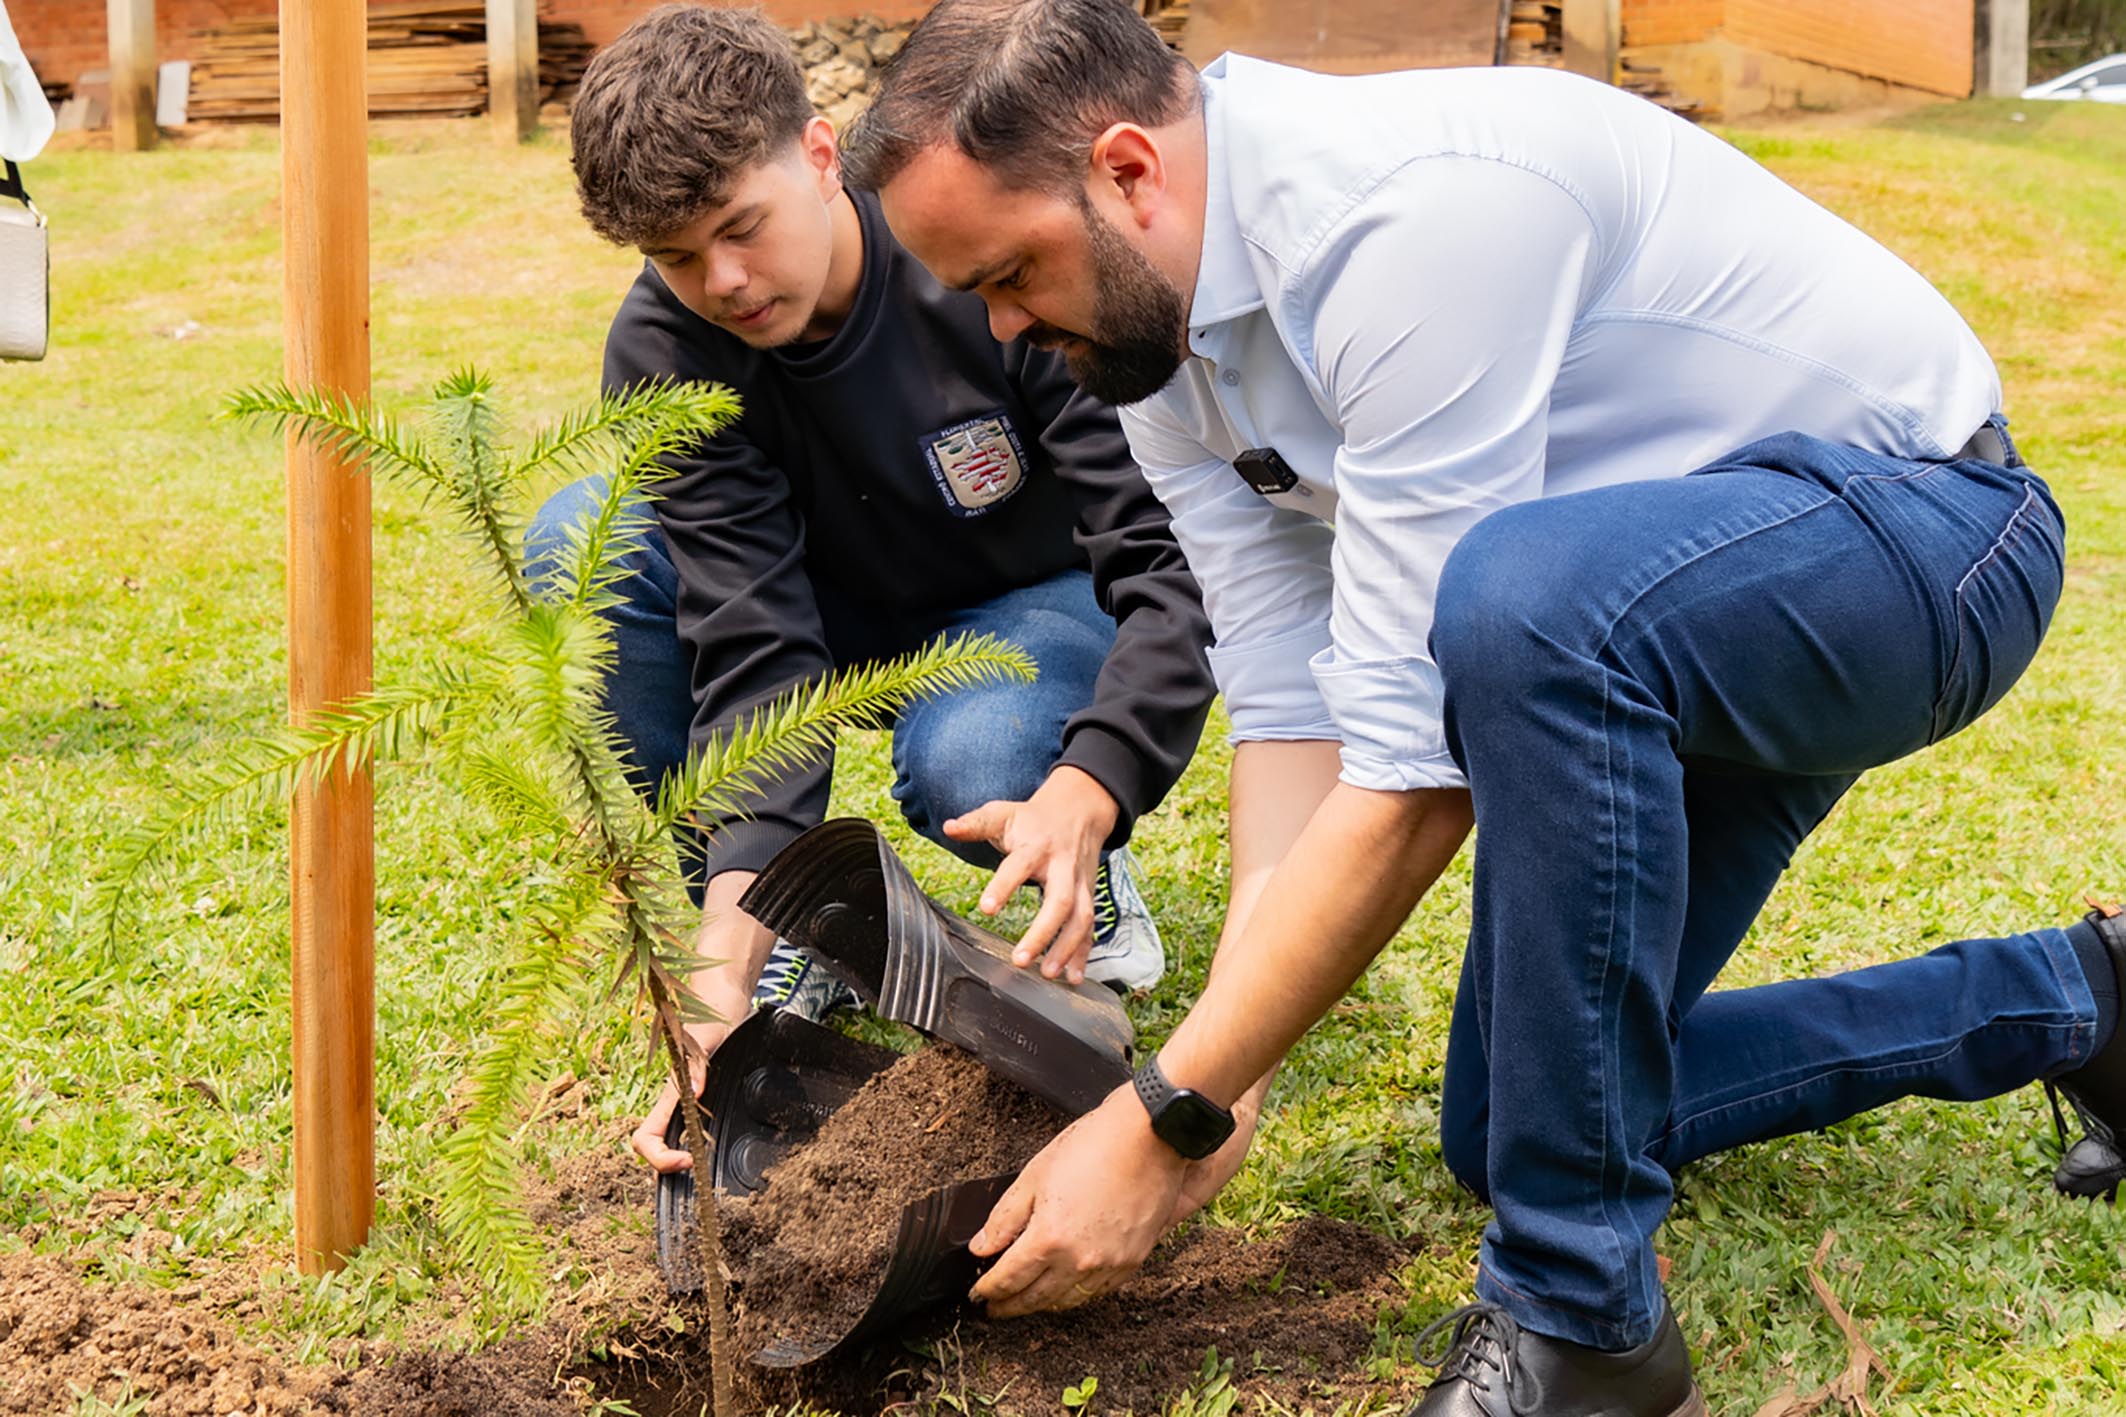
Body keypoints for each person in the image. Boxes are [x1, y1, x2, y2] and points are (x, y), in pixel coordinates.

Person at [840, 2, 2126, 1412]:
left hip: (1920, 543)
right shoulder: (1153, 334)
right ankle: (2086, 1001)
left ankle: (1581, 1324)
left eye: (1012, 271)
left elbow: (1412, 773)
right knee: (1518, 1118)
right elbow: (1286, 690)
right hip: (1652, 633)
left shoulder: (1408, 221)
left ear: (1130, 170)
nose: (1007, 327)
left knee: (1508, 601)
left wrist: (1161, 1114)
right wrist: (1230, 1071)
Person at [533, 4, 1216, 1177]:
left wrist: (1092, 773)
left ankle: (1073, 868)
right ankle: (782, 923)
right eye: (678, 257)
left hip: (1023, 595)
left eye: (740, 227)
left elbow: (1159, 555)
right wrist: (719, 968)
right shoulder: (666, 345)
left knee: (974, 758)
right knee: (576, 548)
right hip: (826, 604)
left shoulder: (977, 254)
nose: (725, 282)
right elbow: (752, 642)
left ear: (817, 149)